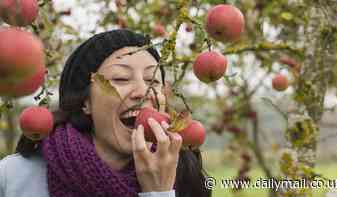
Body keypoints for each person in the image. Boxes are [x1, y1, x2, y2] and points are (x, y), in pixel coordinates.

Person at [0, 29, 212, 197]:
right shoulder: (14, 178)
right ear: (85, 103)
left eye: (152, 81)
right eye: (120, 78)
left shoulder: (186, 179)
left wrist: (159, 191)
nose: (142, 92)